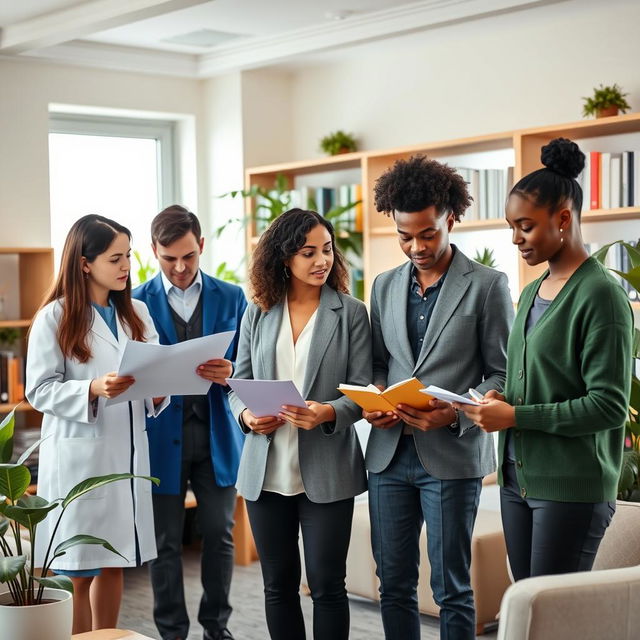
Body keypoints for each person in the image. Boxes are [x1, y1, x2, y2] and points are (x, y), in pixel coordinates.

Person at [455, 137, 633, 581]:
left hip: (571, 486)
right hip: (518, 480)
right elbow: (531, 380)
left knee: (551, 617)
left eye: (525, 226)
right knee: (529, 605)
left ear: (564, 219)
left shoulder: (602, 295)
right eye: (512, 227)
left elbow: (608, 406)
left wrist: (514, 415)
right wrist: (498, 397)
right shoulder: (533, 290)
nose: (515, 239)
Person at [364, 155, 514, 640]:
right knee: (394, 583)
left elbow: (505, 374)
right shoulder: (384, 286)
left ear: (450, 217)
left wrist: (457, 413)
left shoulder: (488, 285)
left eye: (427, 233)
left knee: (450, 587)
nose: (416, 246)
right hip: (389, 456)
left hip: (451, 455)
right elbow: (381, 364)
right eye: (404, 236)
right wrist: (379, 400)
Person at [228, 208, 371, 640]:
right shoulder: (259, 310)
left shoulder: (351, 313)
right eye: (308, 252)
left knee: (328, 587)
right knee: (278, 586)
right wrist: (248, 416)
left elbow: (363, 391)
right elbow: (239, 381)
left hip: (327, 469)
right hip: (266, 471)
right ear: (283, 257)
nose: (320, 261)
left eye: (326, 250)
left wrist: (326, 412)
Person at [26, 214, 168, 633]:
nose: (127, 266)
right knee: (79, 569)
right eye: (115, 258)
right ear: (85, 262)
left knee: (115, 561)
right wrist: (91, 388)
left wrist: (161, 390)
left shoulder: (136, 313)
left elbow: (152, 377)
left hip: (126, 456)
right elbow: (39, 390)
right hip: (80, 460)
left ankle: (109, 636)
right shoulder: (55, 316)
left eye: (128, 256)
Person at [133, 205, 246, 640]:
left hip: (218, 434)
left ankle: (217, 628)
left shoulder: (232, 297)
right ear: (154, 251)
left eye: (188, 256)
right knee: (164, 543)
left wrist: (231, 370)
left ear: (201, 246)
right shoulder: (136, 301)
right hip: (160, 438)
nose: (180, 268)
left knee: (219, 536)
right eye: (169, 258)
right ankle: (171, 632)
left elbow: (249, 364)